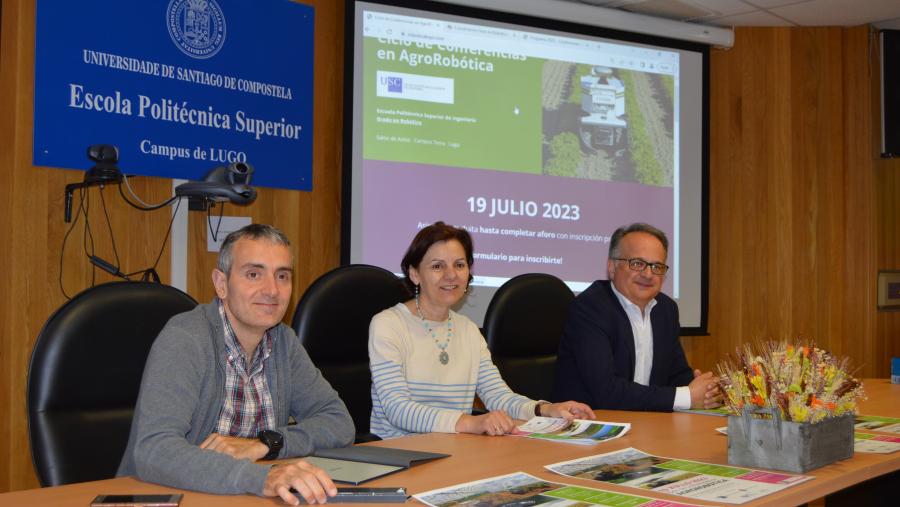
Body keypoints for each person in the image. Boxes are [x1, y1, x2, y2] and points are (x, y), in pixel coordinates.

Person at [118, 224, 354, 505]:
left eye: (282, 276)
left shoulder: (283, 341)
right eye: (254, 274)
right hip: (170, 496)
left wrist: (266, 444)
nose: (272, 290)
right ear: (221, 284)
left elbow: (339, 422)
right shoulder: (185, 339)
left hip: (244, 497)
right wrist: (262, 478)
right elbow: (154, 450)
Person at [369, 221, 595, 439]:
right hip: (398, 452)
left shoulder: (467, 329)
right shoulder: (389, 324)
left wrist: (547, 410)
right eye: (437, 266)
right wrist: (472, 423)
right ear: (415, 274)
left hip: (454, 448)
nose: (451, 275)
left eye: (459, 265)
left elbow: (498, 397)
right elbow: (397, 409)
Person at [553, 223, 720, 411]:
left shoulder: (666, 309)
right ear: (612, 267)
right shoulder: (590, 308)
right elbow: (606, 391)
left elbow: (676, 375)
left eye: (657, 266)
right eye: (637, 264)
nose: (648, 274)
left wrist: (706, 391)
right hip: (591, 421)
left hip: (646, 422)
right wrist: (686, 396)